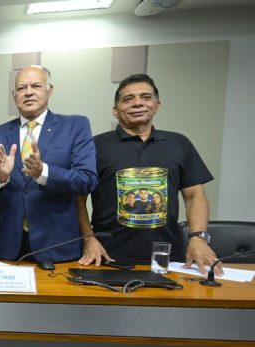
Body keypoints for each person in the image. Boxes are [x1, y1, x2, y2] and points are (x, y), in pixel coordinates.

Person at [77, 73, 218, 272]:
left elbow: (195, 196)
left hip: (167, 258)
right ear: (115, 111)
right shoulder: (95, 146)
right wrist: (88, 238)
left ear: (157, 105)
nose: (138, 103)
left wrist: (198, 238)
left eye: (146, 97)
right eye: (128, 99)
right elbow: (77, 198)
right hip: (106, 255)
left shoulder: (179, 143)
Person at [0, 65, 97, 262]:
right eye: (21, 88)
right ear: (14, 95)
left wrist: (43, 171)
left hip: (57, 243)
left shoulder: (75, 126)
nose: (28, 92)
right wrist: (0, 178)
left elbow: (87, 180)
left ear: (49, 90)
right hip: (8, 244)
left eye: (36, 86)